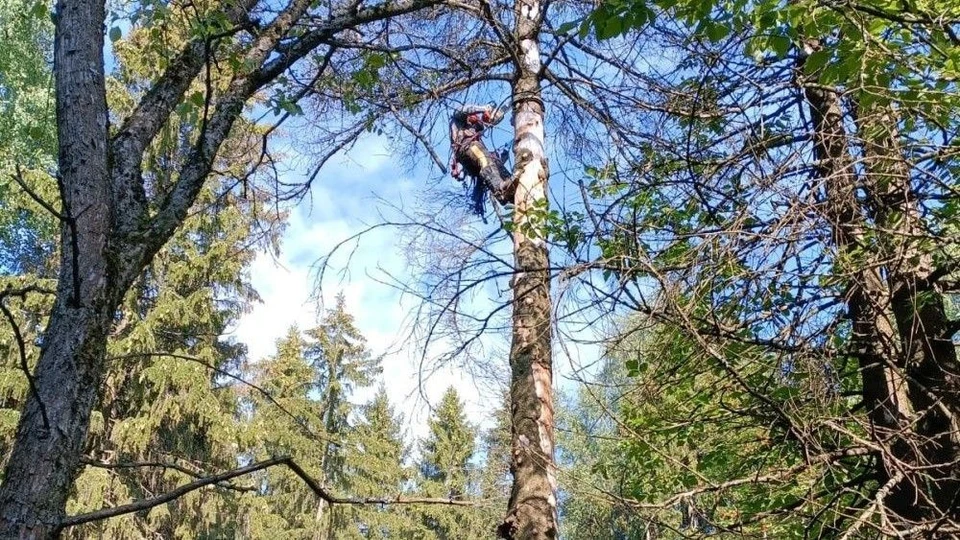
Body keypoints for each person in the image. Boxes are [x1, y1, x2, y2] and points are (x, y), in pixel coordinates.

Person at [449, 103, 514, 216]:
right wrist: (484, 108)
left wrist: (492, 117)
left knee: (496, 164)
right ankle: (501, 190)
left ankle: (513, 192)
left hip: (471, 157)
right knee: (486, 161)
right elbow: (463, 110)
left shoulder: (475, 126)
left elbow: (488, 121)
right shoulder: (458, 117)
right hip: (467, 147)